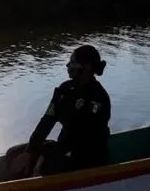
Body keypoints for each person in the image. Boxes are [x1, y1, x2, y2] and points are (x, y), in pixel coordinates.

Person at [8, 45, 111, 177]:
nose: (68, 65)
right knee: (13, 154)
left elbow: (82, 137)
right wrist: (30, 151)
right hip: (64, 149)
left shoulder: (98, 97)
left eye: (73, 62)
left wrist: (47, 154)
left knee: (47, 166)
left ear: (87, 67)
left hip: (88, 156)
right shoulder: (65, 90)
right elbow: (47, 121)